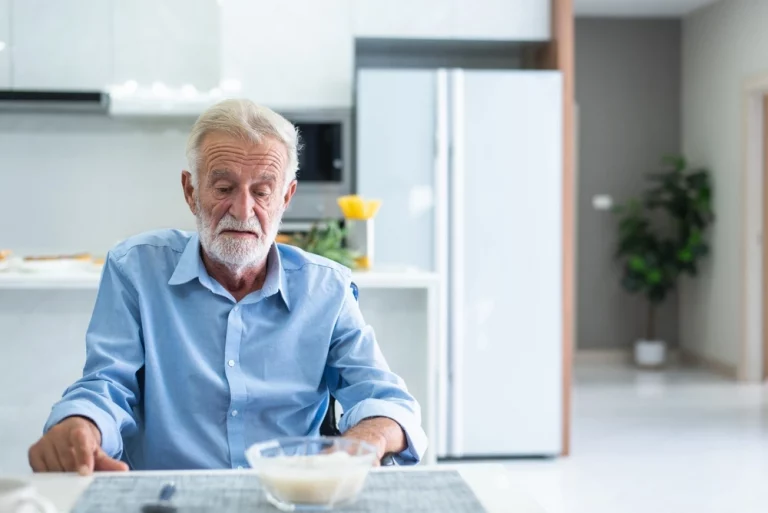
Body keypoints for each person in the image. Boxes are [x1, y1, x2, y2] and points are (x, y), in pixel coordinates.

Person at [28, 99, 426, 474]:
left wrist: (361, 444)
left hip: (288, 498)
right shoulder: (135, 269)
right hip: (169, 501)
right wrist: (81, 423)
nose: (242, 210)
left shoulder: (328, 289)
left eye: (262, 191)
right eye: (223, 188)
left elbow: (388, 401)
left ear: (285, 198)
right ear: (191, 192)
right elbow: (107, 385)